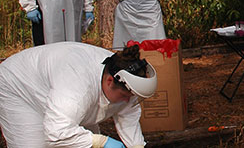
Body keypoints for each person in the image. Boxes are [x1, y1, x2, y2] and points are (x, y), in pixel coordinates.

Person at [0, 42, 157, 147]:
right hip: (18, 86)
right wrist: (102, 142)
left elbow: (129, 120)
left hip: (57, 89)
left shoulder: (125, 84)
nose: (127, 100)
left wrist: (136, 145)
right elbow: (57, 132)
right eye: (125, 96)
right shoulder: (76, 89)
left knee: (82, 140)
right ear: (109, 81)